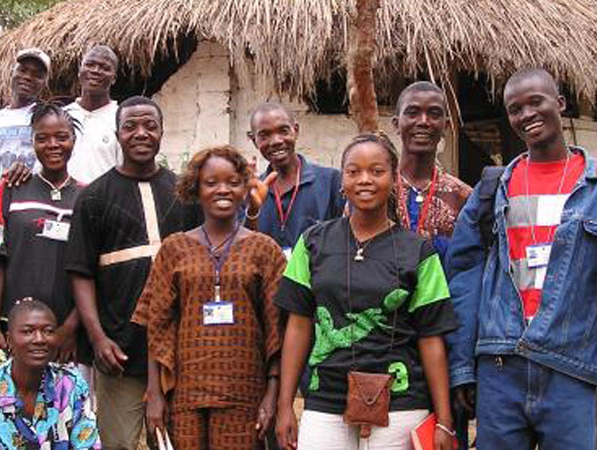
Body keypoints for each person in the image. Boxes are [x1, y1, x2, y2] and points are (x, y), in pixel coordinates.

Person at [445, 68, 597, 449]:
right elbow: (465, 278)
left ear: (560, 103)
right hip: (501, 365)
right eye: (515, 108)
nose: (527, 114)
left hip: (568, 365)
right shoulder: (495, 188)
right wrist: (463, 367)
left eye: (536, 101)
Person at [275, 133, 457, 450]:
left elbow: (431, 338)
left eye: (376, 171)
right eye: (353, 171)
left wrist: (443, 419)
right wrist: (284, 405)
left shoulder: (419, 252)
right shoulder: (313, 242)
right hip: (326, 400)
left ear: (394, 180)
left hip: (401, 404)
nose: (364, 180)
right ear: (342, 179)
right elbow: (299, 325)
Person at [65, 95, 201, 450]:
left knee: (175, 443)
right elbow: (81, 273)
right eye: (130, 126)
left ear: (161, 132)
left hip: (179, 352)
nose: (141, 133)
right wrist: (97, 338)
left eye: (150, 125)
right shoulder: (94, 197)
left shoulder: (185, 195)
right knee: (119, 443)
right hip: (119, 349)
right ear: (117, 134)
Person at [134, 145, 286, 450]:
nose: (223, 190)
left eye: (233, 182)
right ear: (196, 188)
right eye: (211, 182)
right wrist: (155, 393)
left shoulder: (264, 249)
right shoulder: (174, 248)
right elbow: (158, 323)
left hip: (244, 393)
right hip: (185, 395)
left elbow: (277, 329)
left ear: (245, 188)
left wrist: (273, 394)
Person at [0, 103, 84, 364]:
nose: (53, 144)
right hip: (16, 331)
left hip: (65, 334)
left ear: (73, 140)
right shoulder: (11, 189)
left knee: (61, 404)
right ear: (32, 142)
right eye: (42, 138)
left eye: (61, 137)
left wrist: (71, 328)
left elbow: (91, 272)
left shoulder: (87, 197)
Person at [0, 299, 101, 449]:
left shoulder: (72, 385)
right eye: (28, 331)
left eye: (48, 331)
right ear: (9, 340)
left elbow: (87, 444)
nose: (39, 339)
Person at [245, 102, 343, 256]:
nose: (276, 141)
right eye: (264, 135)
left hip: (316, 279)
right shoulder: (251, 192)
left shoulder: (331, 181)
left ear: (295, 131)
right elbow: (243, 248)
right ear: (253, 140)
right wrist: (252, 210)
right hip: (268, 279)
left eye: (283, 131)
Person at [393, 81, 472, 260]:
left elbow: (470, 264)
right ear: (396, 124)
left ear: (445, 125)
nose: (423, 121)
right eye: (412, 113)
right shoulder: (378, 190)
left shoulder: (463, 196)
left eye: (434, 114)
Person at [0, 48, 50, 188]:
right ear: (12, 73)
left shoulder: (48, 121)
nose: (28, 77)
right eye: (23, 70)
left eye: (37, 75)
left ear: (44, 83)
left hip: (30, 205)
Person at [64, 45, 123, 184]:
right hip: (61, 202)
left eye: (105, 68)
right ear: (80, 71)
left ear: (114, 78)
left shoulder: (122, 119)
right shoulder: (62, 116)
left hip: (103, 202)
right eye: (90, 64)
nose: (96, 71)